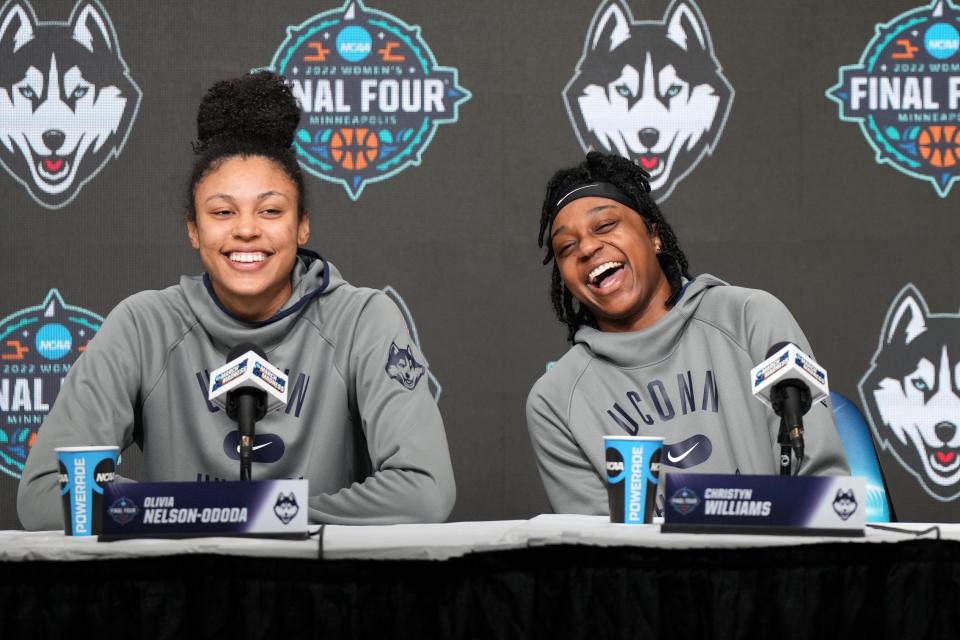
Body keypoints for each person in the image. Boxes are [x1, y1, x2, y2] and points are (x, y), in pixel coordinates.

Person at [17, 71, 455, 528]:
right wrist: (213, 514)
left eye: (270, 210)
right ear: (193, 229)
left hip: (319, 589)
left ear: (302, 226)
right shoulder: (143, 325)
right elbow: (47, 495)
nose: (246, 229)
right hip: (186, 588)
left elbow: (424, 492)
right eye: (222, 212)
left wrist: (264, 514)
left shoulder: (361, 320)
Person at [526, 152, 848, 515]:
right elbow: (598, 550)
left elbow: (827, 493)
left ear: (654, 235)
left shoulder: (752, 319)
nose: (586, 248)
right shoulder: (555, 400)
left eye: (604, 226)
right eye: (566, 248)